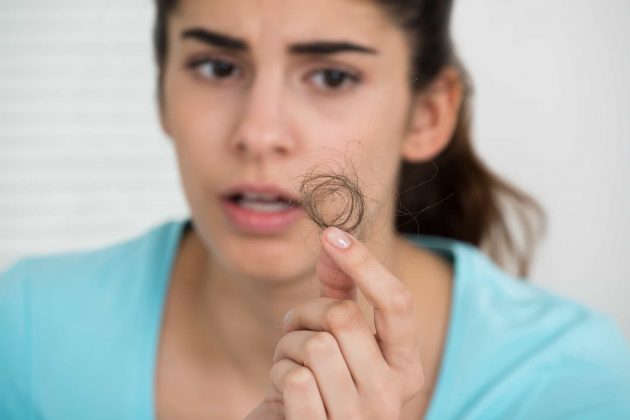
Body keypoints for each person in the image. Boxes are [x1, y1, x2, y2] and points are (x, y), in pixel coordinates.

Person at [1, 0, 629, 419]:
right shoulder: (25, 330)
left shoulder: (575, 384)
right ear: (161, 92)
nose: (259, 131)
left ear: (429, 114)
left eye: (331, 77)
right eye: (216, 66)